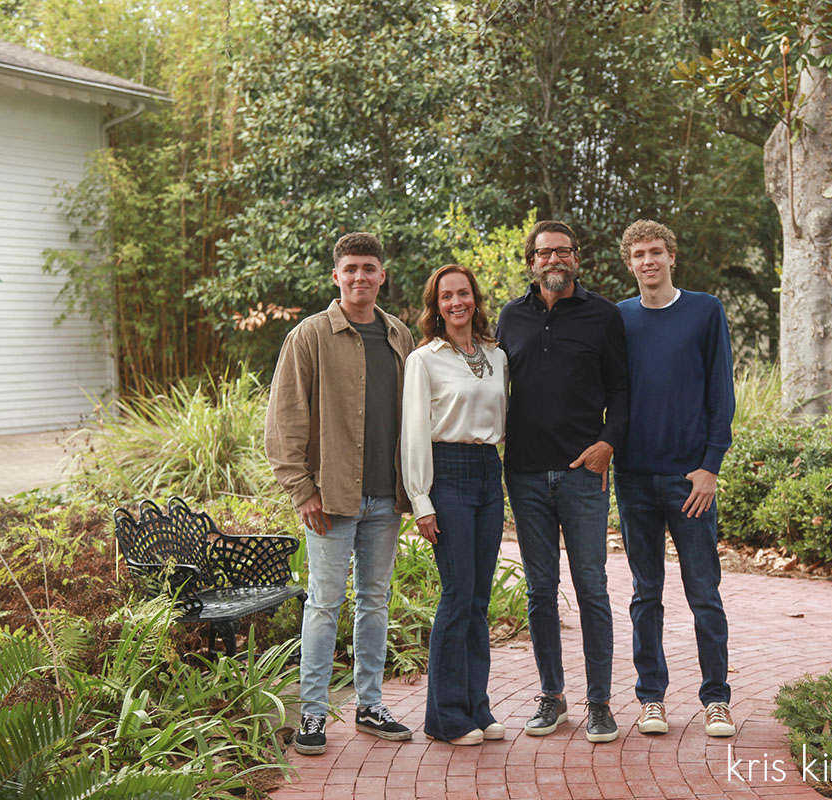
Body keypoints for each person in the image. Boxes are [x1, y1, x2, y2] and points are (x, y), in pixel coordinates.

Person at [265, 232, 415, 755]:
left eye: (369, 268)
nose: (359, 277)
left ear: (381, 275)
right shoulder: (310, 336)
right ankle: (312, 714)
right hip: (329, 499)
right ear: (336, 276)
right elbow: (283, 421)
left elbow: (416, 418)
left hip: (385, 498)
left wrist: (415, 489)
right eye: (350, 268)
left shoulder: (399, 335)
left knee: (375, 602)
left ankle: (370, 704)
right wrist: (301, 490)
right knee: (325, 604)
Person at [495, 220, 629, 743]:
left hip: (582, 474)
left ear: (578, 258)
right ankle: (551, 696)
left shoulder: (604, 316)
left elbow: (622, 390)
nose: (554, 260)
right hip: (524, 474)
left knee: (592, 587)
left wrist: (608, 443)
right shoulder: (510, 317)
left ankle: (600, 703)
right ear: (530, 261)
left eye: (563, 252)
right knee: (539, 590)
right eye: (544, 253)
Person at [614, 219, 737, 738]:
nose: (649, 261)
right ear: (629, 263)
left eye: (656, 251)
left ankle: (716, 699)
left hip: (691, 480)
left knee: (703, 592)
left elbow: (721, 395)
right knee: (646, 593)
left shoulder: (705, 311)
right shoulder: (618, 319)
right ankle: (651, 699)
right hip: (634, 478)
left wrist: (711, 466)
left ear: (671, 257)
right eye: (639, 254)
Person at [400, 264, 509, 746]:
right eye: (446, 296)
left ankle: (477, 708)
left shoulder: (496, 355)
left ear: (475, 299)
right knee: (457, 594)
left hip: (489, 472)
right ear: (436, 305)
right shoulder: (424, 359)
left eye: (463, 293)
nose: (456, 302)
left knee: (479, 601)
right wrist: (422, 500)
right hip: (448, 476)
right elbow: (414, 434)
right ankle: (446, 717)